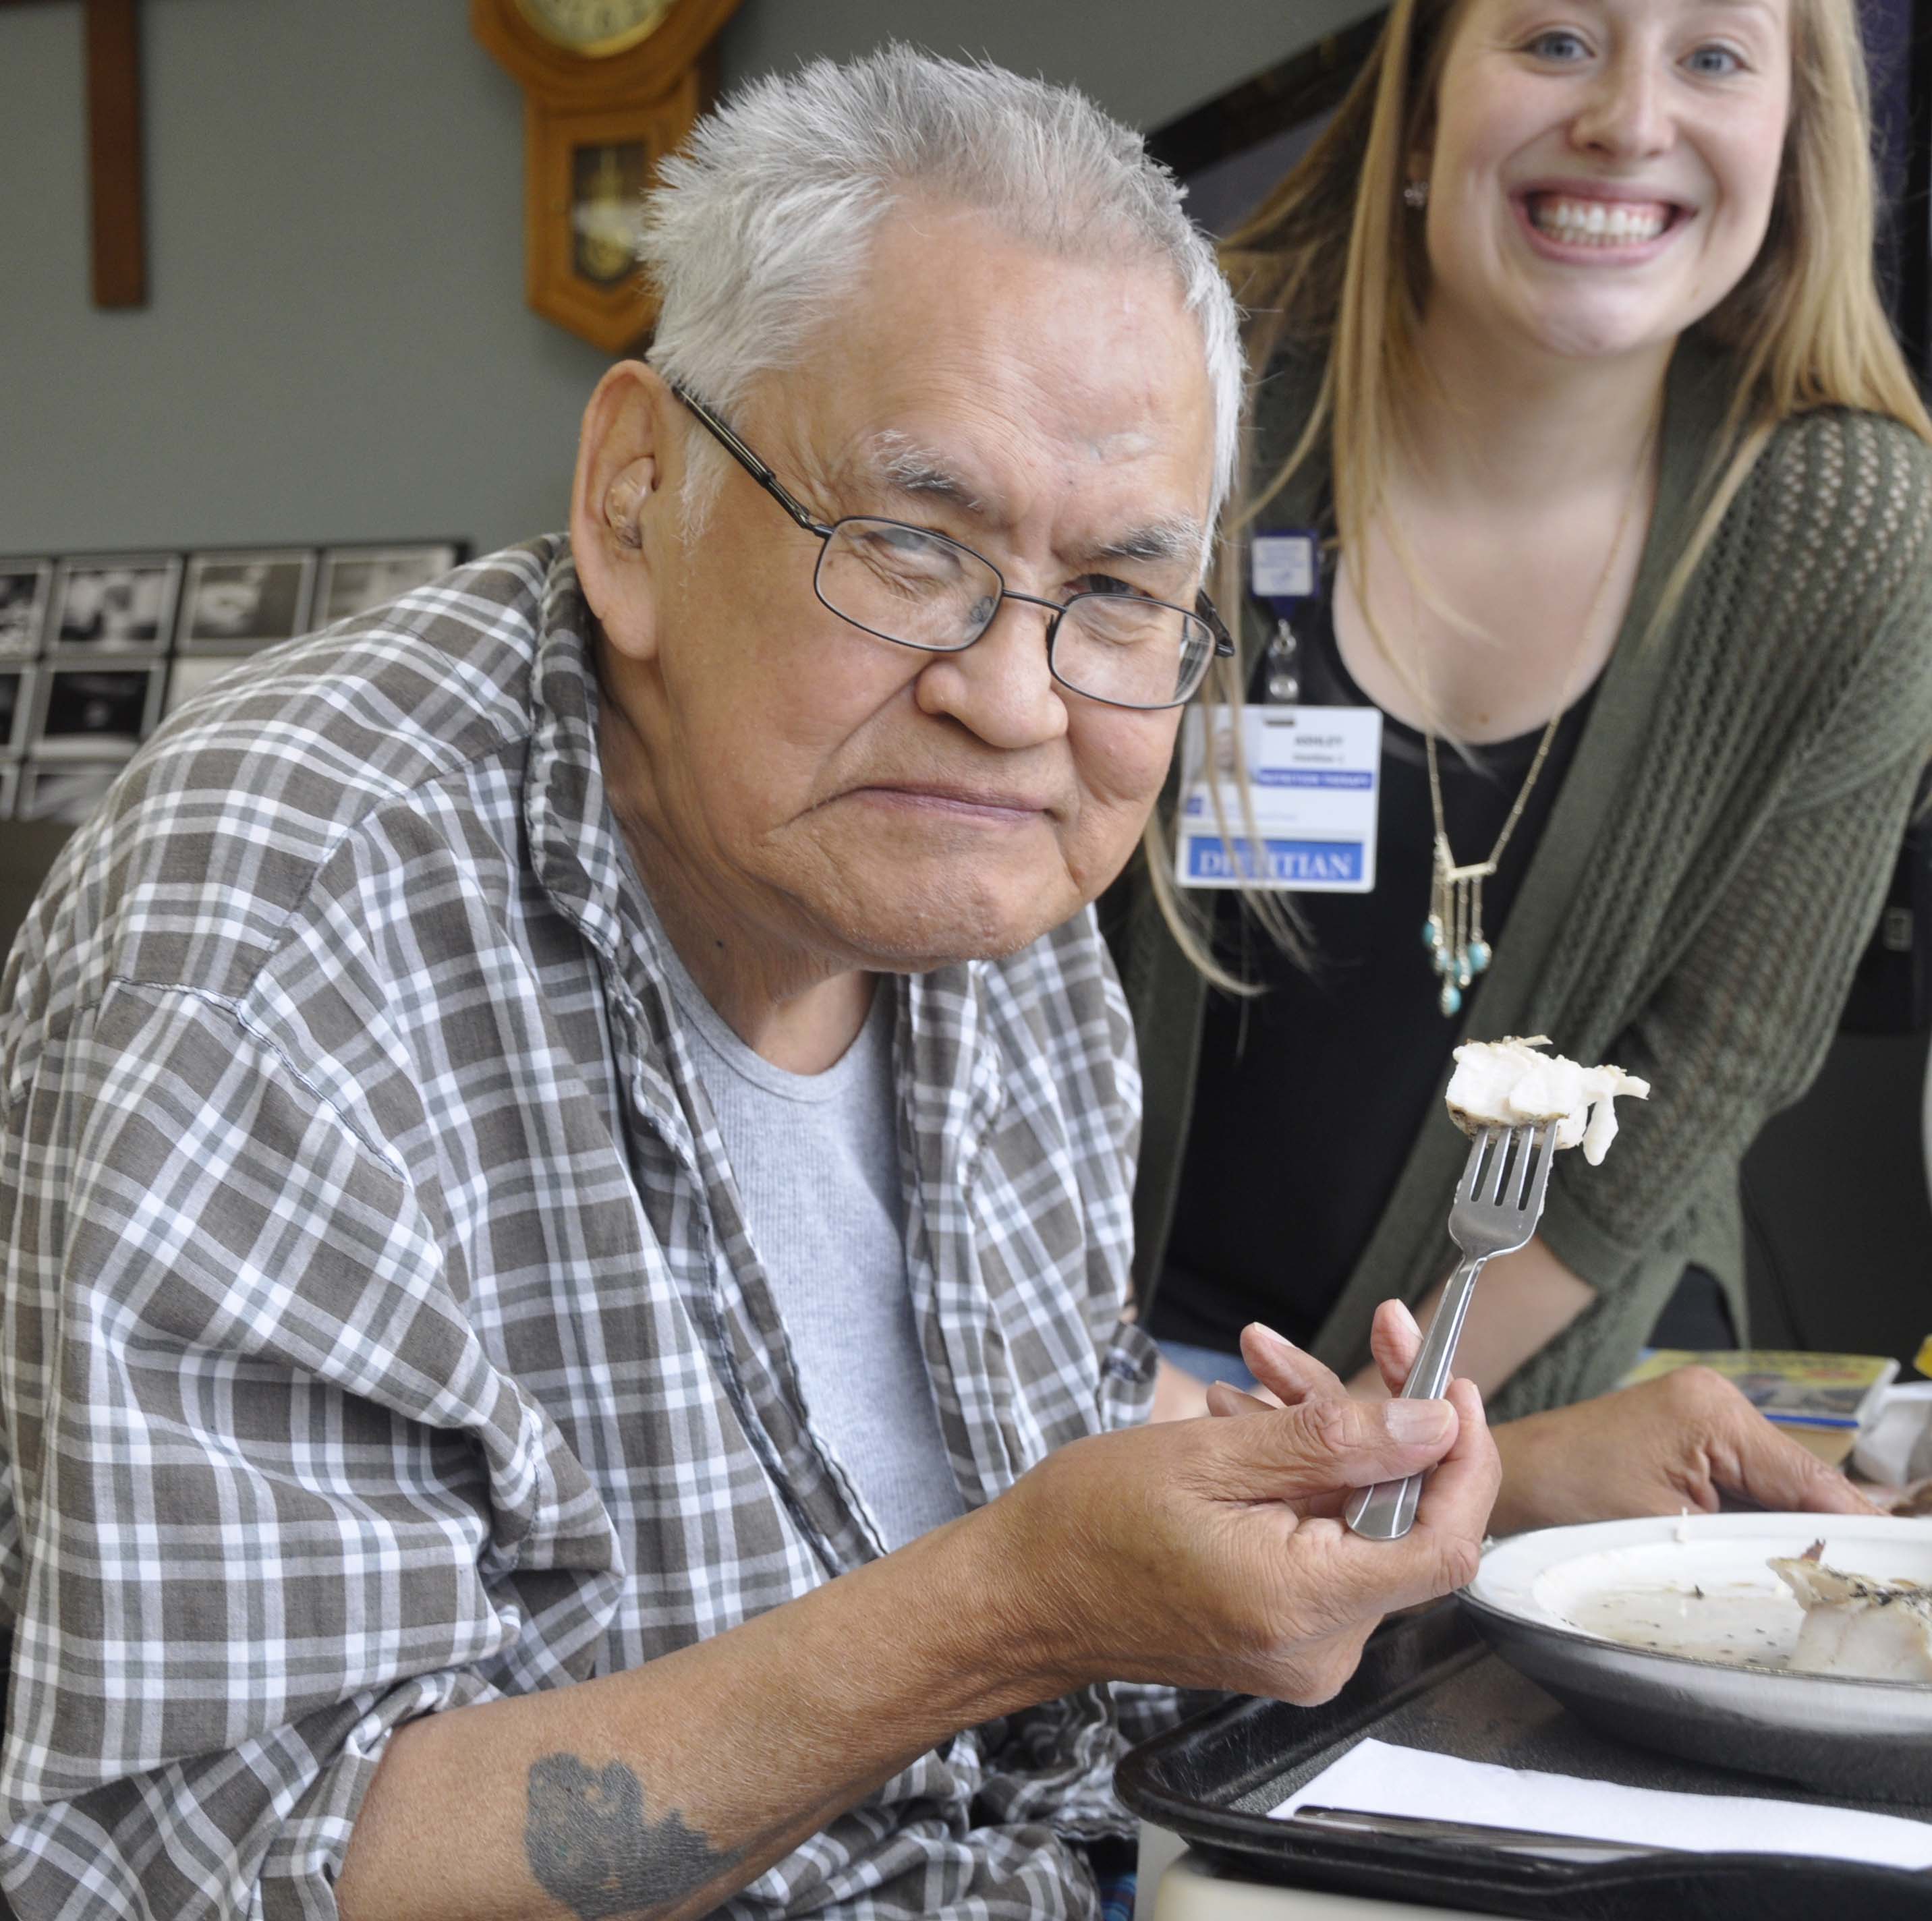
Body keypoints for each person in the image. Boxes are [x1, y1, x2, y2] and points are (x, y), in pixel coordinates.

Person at [0, 42, 1872, 1921]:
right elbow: (224, 1871)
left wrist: (1492, 1495)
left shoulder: (987, 898)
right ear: (636, 499)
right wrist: (1010, 1609)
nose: (1014, 696)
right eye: (909, 544)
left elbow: (1010, 1435)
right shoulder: (273, 948)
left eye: (1123, 595)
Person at [1118, 0, 1932, 1431]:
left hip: (1554, 1390)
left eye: (1713, 58)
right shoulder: (1189, 406)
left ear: (1792, 141)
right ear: (1421, 110)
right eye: (1555, 41)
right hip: (1106, 1347)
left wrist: (1373, 1421)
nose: (1627, 120)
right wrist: (1112, 1382)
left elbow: (1715, 1058)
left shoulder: (1851, 536)